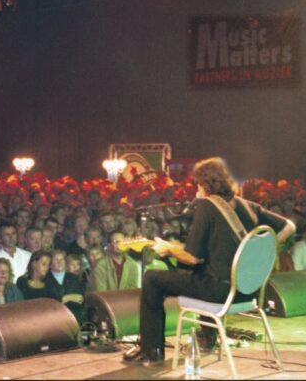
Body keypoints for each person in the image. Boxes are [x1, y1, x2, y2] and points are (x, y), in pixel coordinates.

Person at [124, 157, 296, 366]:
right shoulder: (247, 205)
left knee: (152, 278)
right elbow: (289, 226)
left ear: (204, 184)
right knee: (204, 271)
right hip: (248, 292)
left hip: (220, 292)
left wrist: (168, 249)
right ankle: (208, 338)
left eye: (198, 183)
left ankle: (151, 350)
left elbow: (192, 257)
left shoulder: (207, 206)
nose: (197, 188)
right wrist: (265, 248)